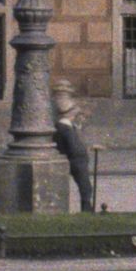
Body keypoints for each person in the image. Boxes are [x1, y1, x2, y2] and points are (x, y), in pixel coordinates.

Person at [51, 79, 96, 210]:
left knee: (86, 188)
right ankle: (86, 209)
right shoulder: (65, 128)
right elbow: (74, 148)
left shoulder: (68, 127)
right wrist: (83, 152)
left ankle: (87, 208)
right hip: (76, 162)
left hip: (76, 160)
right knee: (85, 188)